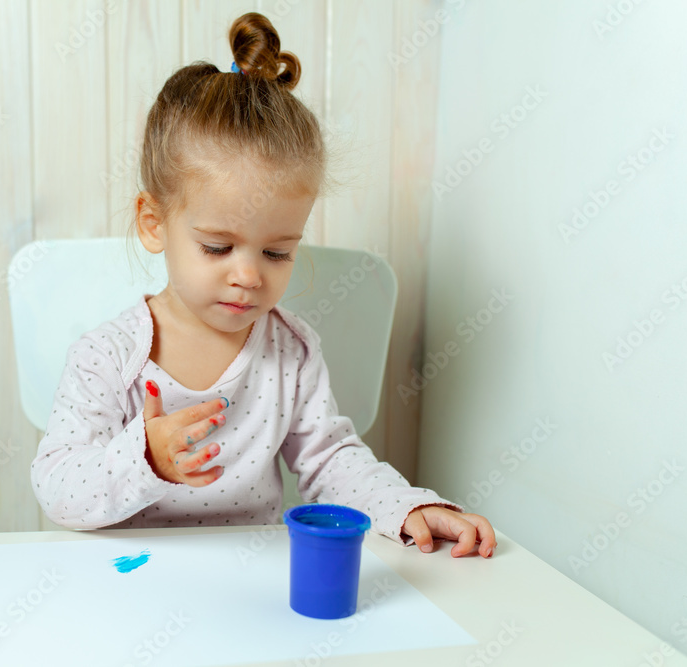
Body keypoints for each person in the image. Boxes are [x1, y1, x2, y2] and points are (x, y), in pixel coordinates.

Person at [30, 12, 495, 558]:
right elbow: (58, 487)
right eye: (217, 247)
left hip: (253, 579)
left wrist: (405, 508)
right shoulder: (107, 358)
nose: (249, 276)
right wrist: (145, 457)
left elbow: (331, 462)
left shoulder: (290, 351)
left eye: (277, 252)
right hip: (131, 580)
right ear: (154, 224)